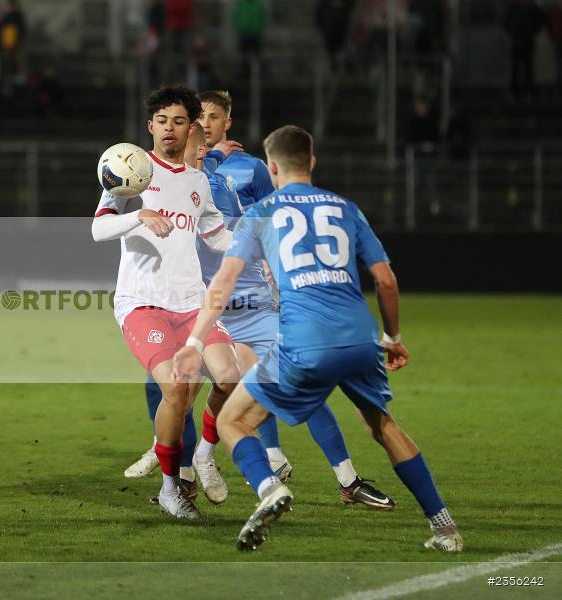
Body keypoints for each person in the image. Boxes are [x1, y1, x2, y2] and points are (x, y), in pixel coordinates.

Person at [173, 125, 462, 552]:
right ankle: (444, 527)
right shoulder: (347, 208)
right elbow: (385, 280)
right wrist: (393, 336)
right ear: (312, 162)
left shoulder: (261, 213)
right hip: (360, 339)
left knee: (233, 421)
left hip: (304, 341)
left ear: (272, 168)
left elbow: (222, 284)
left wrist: (195, 342)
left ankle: (271, 488)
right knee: (383, 425)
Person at [130, 91, 396, 511]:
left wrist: (274, 259)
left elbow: (268, 219)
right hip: (197, 304)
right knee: (175, 389)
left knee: (291, 375)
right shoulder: (162, 179)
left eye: (208, 122)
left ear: (222, 127)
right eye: (195, 125)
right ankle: (182, 474)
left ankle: (338, 476)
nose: (200, 133)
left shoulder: (235, 177)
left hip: (248, 301)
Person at [92, 85, 240, 520]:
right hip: (142, 303)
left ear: (191, 128)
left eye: (178, 121)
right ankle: (171, 488)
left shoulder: (198, 181)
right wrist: (138, 215)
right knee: (176, 388)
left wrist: (258, 248)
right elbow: (98, 230)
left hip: (191, 302)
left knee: (230, 377)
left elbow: (216, 236)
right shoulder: (129, 168)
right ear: (150, 126)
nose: (169, 129)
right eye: (161, 121)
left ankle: (204, 456)